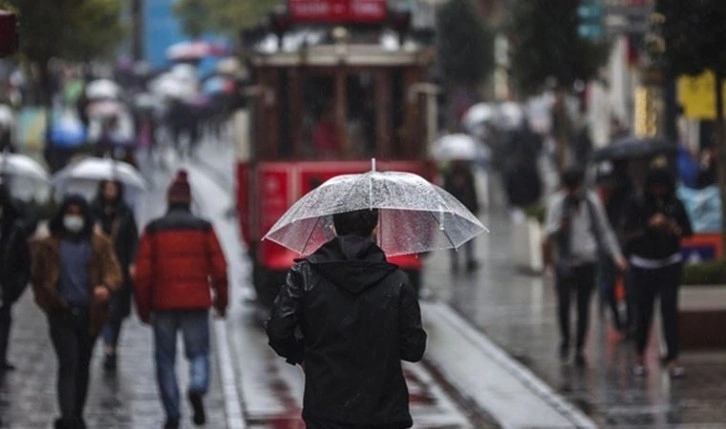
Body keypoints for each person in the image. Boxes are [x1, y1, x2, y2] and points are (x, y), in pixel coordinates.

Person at [266, 208, 427, 429]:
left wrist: (302, 355)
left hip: (325, 408)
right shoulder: (397, 282)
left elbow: (278, 330)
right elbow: (414, 349)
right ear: (375, 229)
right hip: (383, 411)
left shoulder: (304, 275)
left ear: (333, 228)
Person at [134, 170, 228, 429]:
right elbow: (220, 269)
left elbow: (142, 275)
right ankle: (197, 386)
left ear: (168, 200)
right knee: (199, 353)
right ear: (189, 200)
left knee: (165, 360)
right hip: (196, 302)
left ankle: (173, 413)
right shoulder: (204, 228)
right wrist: (221, 302)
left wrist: (143, 309)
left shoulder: (153, 230)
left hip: (163, 305)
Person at [31, 194, 122, 429]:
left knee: (82, 363)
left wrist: (106, 288)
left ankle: (77, 413)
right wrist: (48, 302)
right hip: (61, 312)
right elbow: (38, 278)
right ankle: (68, 417)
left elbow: (114, 272)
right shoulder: (50, 244)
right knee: (68, 361)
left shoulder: (98, 244)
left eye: (78, 213)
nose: (74, 218)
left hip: (89, 313)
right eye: (69, 213)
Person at [545, 168, 627, 366]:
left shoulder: (592, 203)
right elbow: (548, 232)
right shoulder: (557, 203)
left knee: (583, 306)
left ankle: (580, 348)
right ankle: (566, 339)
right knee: (564, 305)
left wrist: (617, 256)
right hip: (565, 262)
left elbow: (604, 230)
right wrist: (559, 227)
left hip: (587, 261)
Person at [622, 168, 692, 378]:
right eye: (655, 188)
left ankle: (672, 359)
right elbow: (627, 232)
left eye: (662, 188)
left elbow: (688, 231)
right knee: (644, 314)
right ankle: (639, 358)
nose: (659, 192)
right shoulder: (637, 203)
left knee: (670, 313)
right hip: (643, 265)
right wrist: (648, 226)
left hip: (669, 263)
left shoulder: (675, 204)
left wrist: (672, 226)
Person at [91, 180, 139, 372]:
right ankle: (108, 347)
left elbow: (133, 239)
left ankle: (112, 345)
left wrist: (132, 263)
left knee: (116, 311)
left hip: (119, 267)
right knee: (104, 308)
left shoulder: (125, 212)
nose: (110, 192)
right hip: (98, 268)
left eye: (114, 188)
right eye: (107, 188)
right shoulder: (93, 210)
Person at [0, 183, 31, 373]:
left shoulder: (14, 230)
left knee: (3, 323)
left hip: (4, 288)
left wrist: (14, 289)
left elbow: (24, 263)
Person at [443, 160, 481, 272]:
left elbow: (473, 193)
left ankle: (469, 260)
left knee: (469, 238)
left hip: (467, 210)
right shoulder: (449, 176)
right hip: (453, 212)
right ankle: (455, 261)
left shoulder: (468, 175)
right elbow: (446, 193)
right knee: (454, 238)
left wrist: (475, 208)